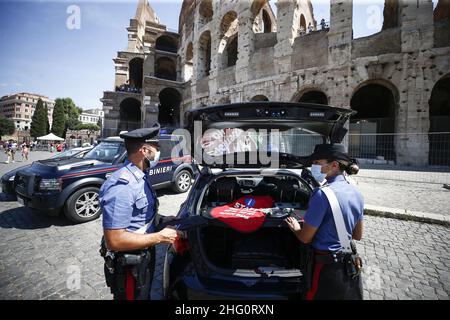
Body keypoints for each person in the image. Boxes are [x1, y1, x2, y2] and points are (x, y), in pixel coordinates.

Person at [99, 124, 178, 300]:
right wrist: (161, 237)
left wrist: (163, 220)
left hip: (143, 255)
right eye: (156, 148)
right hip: (130, 266)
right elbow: (115, 240)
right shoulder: (123, 185)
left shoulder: (140, 177)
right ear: (144, 150)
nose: (159, 152)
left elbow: (141, 216)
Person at [284, 143, 364, 300]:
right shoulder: (356, 193)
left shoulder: (322, 195)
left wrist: (295, 227)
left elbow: (305, 238)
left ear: (334, 165)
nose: (313, 167)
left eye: (317, 163)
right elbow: (358, 235)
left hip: (325, 268)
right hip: (346, 267)